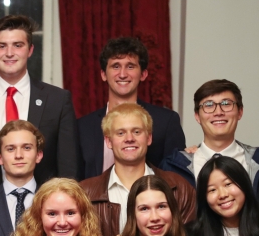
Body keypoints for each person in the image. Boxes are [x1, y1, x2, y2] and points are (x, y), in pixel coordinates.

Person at [0, 15, 79, 193]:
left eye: (18, 45)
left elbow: (69, 168)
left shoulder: (57, 100)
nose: (9, 53)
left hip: (43, 210)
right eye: (1, 46)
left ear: (30, 50)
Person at [80, 103, 195, 236]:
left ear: (149, 138)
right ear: (109, 141)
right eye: (120, 133)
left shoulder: (180, 188)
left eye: (136, 132)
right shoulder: (84, 193)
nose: (129, 138)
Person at [161, 79, 259, 201]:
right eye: (209, 105)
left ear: (240, 112)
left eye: (226, 104)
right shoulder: (174, 165)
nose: (218, 112)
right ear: (197, 116)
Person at [78, 37, 186, 176]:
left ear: (143, 74)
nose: (122, 74)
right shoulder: (82, 127)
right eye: (116, 66)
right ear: (103, 74)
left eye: (130, 66)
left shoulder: (166, 122)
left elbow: (176, 180)